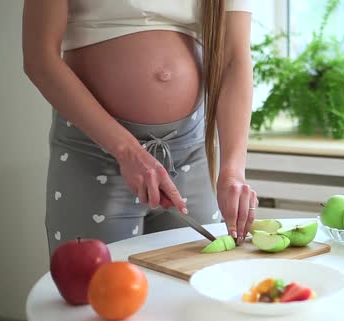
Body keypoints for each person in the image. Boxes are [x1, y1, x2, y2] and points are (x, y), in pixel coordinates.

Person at [22, 0, 257, 255]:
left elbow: (234, 57)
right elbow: (39, 59)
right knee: (95, 290)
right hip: (95, 154)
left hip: (191, 153)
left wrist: (232, 171)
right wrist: (126, 151)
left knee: (190, 287)